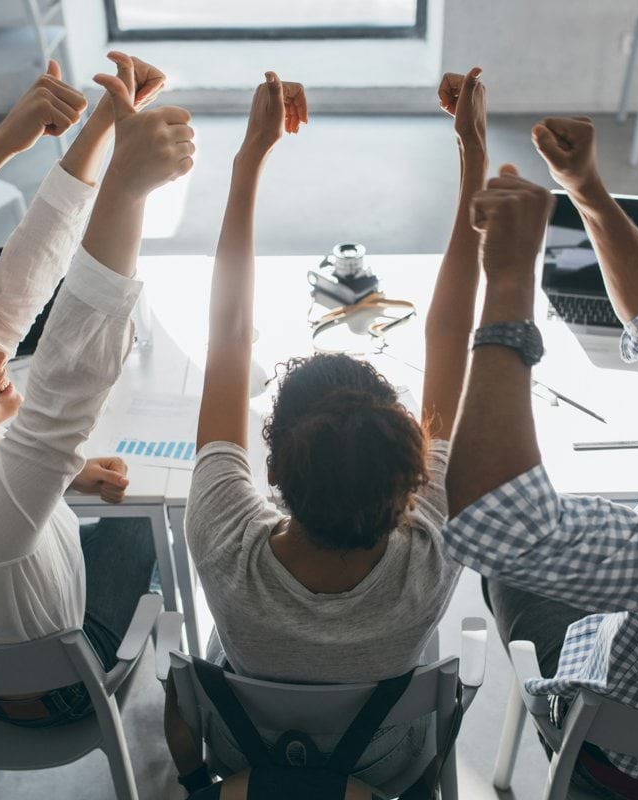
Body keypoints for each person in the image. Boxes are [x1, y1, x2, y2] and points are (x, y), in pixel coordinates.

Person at [169, 68, 487, 795]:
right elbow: (451, 335)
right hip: (382, 766)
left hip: (244, 754)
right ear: (410, 479)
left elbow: (226, 336)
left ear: (273, 475)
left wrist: (251, 156)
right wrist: (471, 150)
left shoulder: (221, 539)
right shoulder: (433, 550)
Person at [0, 53, 193, 790]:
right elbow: (68, 385)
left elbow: (15, 289)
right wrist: (127, 192)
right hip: (54, 696)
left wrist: (102, 129)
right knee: (147, 522)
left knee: (97, 492)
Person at [443, 117, 638, 798]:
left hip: (630, 761)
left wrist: (508, 282)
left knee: (507, 573)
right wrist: (587, 190)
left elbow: (493, 524)